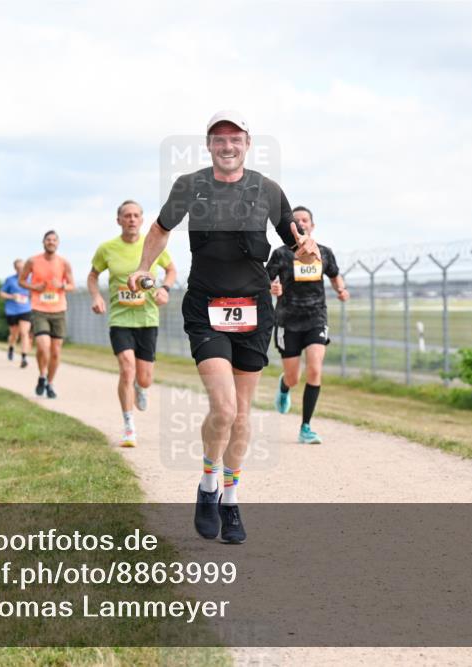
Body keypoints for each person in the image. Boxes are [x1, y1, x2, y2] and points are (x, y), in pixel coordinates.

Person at [128, 110, 319, 544]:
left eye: (235, 139)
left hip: (254, 311)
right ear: (209, 145)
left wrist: (308, 253)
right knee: (225, 410)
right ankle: (208, 485)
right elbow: (160, 229)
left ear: (248, 144)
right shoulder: (190, 186)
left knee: (243, 416)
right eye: (219, 139)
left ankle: (230, 498)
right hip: (206, 307)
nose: (227, 146)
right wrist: (143, 267)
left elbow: (299, 250)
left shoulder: (268, 191)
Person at [88, 199, 177, 447]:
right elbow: (93, 276)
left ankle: (142, 386)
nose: (132, 219)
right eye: (127, 215)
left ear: (142, 219)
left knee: (144, 377)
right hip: (120, 319)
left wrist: (165, 290)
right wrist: (96, 296)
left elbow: (171, 270)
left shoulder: (152, 245)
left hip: (147, 318)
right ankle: (129, 426)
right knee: (127, 368)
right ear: (119, 220)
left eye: (136, 215)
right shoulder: (107, 248)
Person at [267, 206, 349, 444]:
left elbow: (334, 275)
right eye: (297, 220)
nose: (302, 223)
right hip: (287, 320)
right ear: (291, 228)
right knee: (293, 377)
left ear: (312, 225)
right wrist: (273, 287)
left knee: (315, 369)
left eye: (306, 219)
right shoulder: (281, 254)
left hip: (316, 318)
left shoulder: (324, 252)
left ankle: (306, 427)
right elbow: (267, 278)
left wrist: (341, 290)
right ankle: (284, 386)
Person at [20, 231, 75, 398]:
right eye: (48, 240)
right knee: (44, 347)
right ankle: (42, 374)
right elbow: (21, 281)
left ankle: (49, 383)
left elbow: (72, 285)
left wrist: (62, 286)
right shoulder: (32, 261)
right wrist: (34, 287)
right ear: (43, 242)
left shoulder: (64, 263)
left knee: (56, 351)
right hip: (39, 309)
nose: (51, 242)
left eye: (54, 240)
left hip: (59, 310)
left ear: (58, 243)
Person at [0, 259, 33, 368]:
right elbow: (1, 294)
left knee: (24, 333)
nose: (21, 270)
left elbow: (34, 292)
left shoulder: (31, 279)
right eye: (18, 268)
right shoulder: (10, 280)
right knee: (14, 334)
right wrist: (12, 296)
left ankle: (24, 357)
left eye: (23, 267)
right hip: (12, 310)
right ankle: (11, 347)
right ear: (15, 268)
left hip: (25, 309)